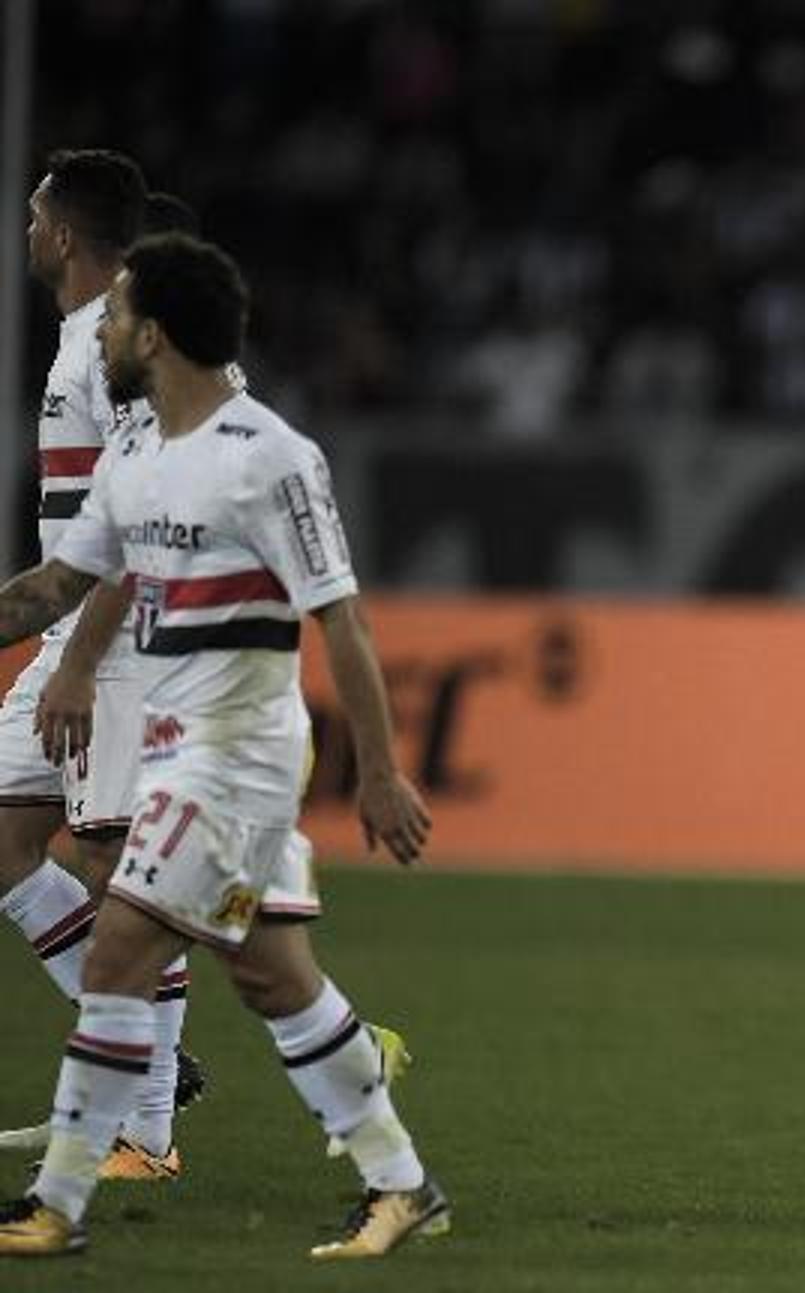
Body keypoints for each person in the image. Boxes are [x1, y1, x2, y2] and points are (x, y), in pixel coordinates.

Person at [0, 233, 446, 1259]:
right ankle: (403, 1186)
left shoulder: (270, 458)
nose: (100, 330)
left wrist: (378, 771)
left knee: (116, 951)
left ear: (153, 334)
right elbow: (63, 589)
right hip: (175, 750)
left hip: (235, 758)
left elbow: (343, 619)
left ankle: (57, 1205)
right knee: (275, 978)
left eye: (114, 314)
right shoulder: (137, 457)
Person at [0, 149, 204, 1177]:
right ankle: (139, 1060)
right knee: (6, 846)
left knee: (123, 874)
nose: (28, 229)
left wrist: (78, 667)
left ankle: (145, 1126)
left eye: (36, 214)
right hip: (66, 635)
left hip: (116, 646)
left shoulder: (115, 346)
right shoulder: (81, 341)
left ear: (64, 235)